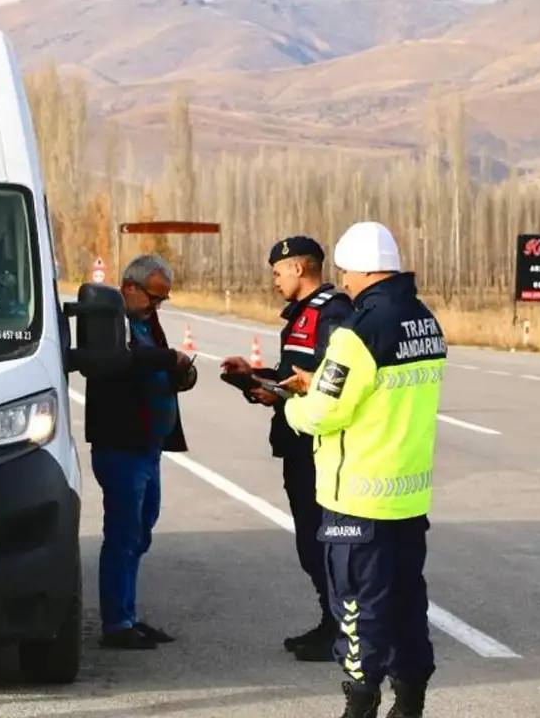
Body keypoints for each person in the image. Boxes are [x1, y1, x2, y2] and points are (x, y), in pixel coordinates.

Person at [279, 222, 445, 718]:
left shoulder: (358, 331)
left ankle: (360, 705)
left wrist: (291, 402)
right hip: (407, 495)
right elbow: (383, 397)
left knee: (356, 609)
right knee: (406, 604)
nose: (344, 282)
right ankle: (410, 702)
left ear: (363, 270)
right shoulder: (424, 320)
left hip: (357, 498)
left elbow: (327, 412)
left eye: (347, 272)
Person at [220, 235, 353, 662]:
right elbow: (292, 374)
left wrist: (278, 391)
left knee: (324, 542)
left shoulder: (332, 312)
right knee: (311, 544)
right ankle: (330, 621)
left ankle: (343, 630)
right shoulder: (302, 314)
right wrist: (255, 378)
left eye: (277, 271)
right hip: (297, 443)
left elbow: (331, 378)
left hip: (318, 446)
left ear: (298, 268)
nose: (274, 280)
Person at [83, 253, 198, 650]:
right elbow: (120, 361)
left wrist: (183, 371)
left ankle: (128, 614)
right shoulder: (108, 322)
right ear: (129, 289)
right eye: (152, 297)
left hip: (149, 446)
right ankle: (116, 623)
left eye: (162, 300)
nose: (157, 306)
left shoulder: (150, 323)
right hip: (121, 447)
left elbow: (162, 368)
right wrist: (170, 358)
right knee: (123, 533)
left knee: (141, 530)